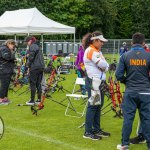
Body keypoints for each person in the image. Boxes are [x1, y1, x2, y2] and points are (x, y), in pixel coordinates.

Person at [116, 32, 150, 150]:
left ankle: (125, 144)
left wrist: (127, 81)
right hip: (146, 92)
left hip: (130, 92)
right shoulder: (148, 56)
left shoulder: (125, 56)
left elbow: (118, 75)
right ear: (143, 43)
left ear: (131, 43)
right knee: (146, 119)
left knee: (128, 119)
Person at [83, 31, 110, 140]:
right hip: (94, 81)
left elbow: (106, 66)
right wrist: (104, 65)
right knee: (93, 105)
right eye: (101, 41)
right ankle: (88, 132)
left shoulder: (96, 51)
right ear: (95, 41)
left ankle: (96, 129)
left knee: (98, 105)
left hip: (99, 81)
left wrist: (104, 65)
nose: (102, 43)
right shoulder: (91, 50)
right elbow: (103, 64)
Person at [25, 36, 45, 105]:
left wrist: (28, 66)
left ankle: (32, 100)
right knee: (38, 83)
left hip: (35, 67)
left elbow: (31, 58)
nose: (27, 44)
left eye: (27, 42)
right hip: (41, 67)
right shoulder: (38, 46)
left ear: (30, 41)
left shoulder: (32, 46)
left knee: (33, 83)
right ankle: (39, 99)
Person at [0, 39, 16, 104]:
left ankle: (5, 98)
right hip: (4, 69)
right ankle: (1, 99)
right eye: (13, 45)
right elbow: (7, 57)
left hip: (7, 69)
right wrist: (12, 54)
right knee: (4, 85)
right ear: (9, 43)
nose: (13, 47)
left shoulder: (6, 49)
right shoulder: (4, 49)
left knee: (6, 85)